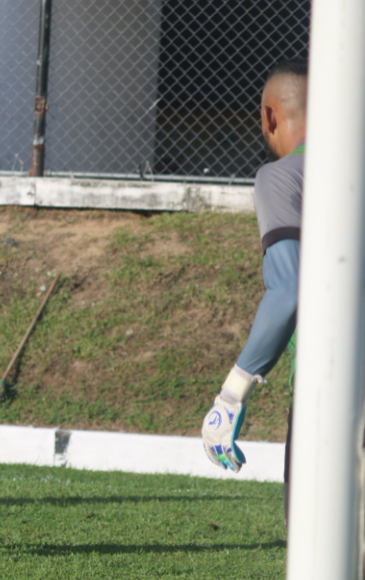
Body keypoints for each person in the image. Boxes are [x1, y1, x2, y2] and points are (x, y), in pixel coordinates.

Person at [200, 60, 307, 521]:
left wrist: (230, 397)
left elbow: (289, 288)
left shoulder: (282, 176)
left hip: (341, 386)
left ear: (269, 117)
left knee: (320, 544)